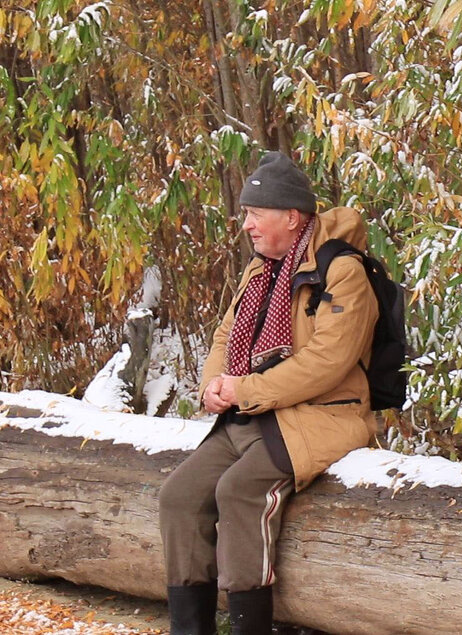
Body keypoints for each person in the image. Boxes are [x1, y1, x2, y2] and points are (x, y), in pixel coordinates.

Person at [159, 151, 379, 635]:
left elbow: (328, 363)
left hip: (320, 417)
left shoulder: (343, 272)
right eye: (246, 215)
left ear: (292, 217)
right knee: (179, 496)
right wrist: (214, 386)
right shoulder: (261, 270)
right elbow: (226, 333)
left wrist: (246, 390)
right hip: (253, 414)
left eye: (256, 215)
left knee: (238, 491)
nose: (247, 226)